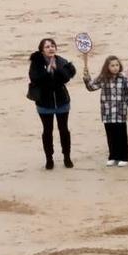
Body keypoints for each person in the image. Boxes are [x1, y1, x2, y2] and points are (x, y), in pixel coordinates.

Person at [27, 38, 78, 170]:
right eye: (47, 47)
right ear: (42, 50)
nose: (51, 48)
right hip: (44, 102)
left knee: (64, 130)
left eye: (52, 46)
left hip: (62, 101)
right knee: (47, 131)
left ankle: (67, 156)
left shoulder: (61, 61)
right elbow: (35, 79)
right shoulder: (36, 62)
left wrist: (57, 70)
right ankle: (49, 159)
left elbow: (67, 77)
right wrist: (47, 72)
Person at [80, 49, 128, 166]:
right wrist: (86, 78)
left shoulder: (124, 79)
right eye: (112, 65)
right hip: (107, 112)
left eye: (116, 65)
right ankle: (113, 156)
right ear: (107, 67)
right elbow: (91, 87)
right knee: (111, 135)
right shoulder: (103, 78)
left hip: (120, 112)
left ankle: (124, 157)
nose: (115, 67)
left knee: (121, 135)